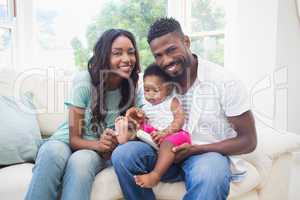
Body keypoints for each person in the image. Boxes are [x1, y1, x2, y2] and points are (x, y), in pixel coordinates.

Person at [111, 17, 257, 200]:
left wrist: (195, 150)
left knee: (211, 174)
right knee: (123, 155)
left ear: (186, 41)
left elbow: (249, 141)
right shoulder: (155, 82)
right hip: (161, 154)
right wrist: (137, 120)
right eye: (158, 55)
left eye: (171, 50)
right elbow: (148, 119)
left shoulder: (225, 81)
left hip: (206, 155)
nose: (166, 60)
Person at [25, 28, 141, 200]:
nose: (127, 59)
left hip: (94, 153)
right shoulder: (84, 81)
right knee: (51, 152)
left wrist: (121, 136)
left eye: (131, 53)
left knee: (81, 161)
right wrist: (99, 144)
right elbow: (74, 139)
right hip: (67, 140)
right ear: (104, 57)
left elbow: (129, 138)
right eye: (117, 53)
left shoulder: (133, 90)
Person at [114, 63, 191, 188]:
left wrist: (166, 132)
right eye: (146, 90)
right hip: (155, 138)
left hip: (175, 137)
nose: (149, 95)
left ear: (169, 88)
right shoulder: (146, 105)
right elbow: (147, 124)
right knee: (139, 129)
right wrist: (137, 117)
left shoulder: (172, 101)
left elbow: (179, 119)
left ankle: (155, 175)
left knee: (167, 144)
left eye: (155, 90)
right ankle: (123, 134)